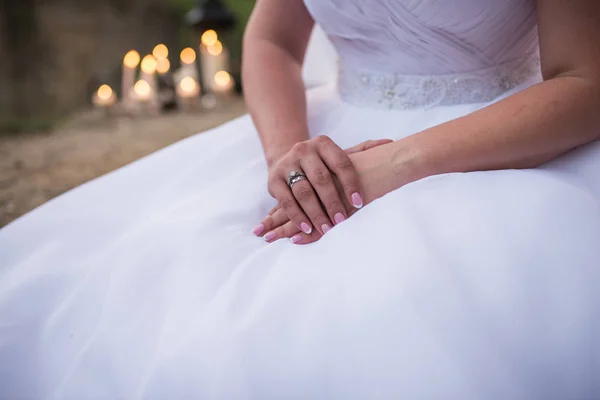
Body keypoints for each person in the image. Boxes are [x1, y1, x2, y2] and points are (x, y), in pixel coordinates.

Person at [1, 0, 599, 398]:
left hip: (498, 137)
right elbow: (272, 38)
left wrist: (395, 162)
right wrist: (290, 154)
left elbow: (587, 80)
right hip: (318, 132)